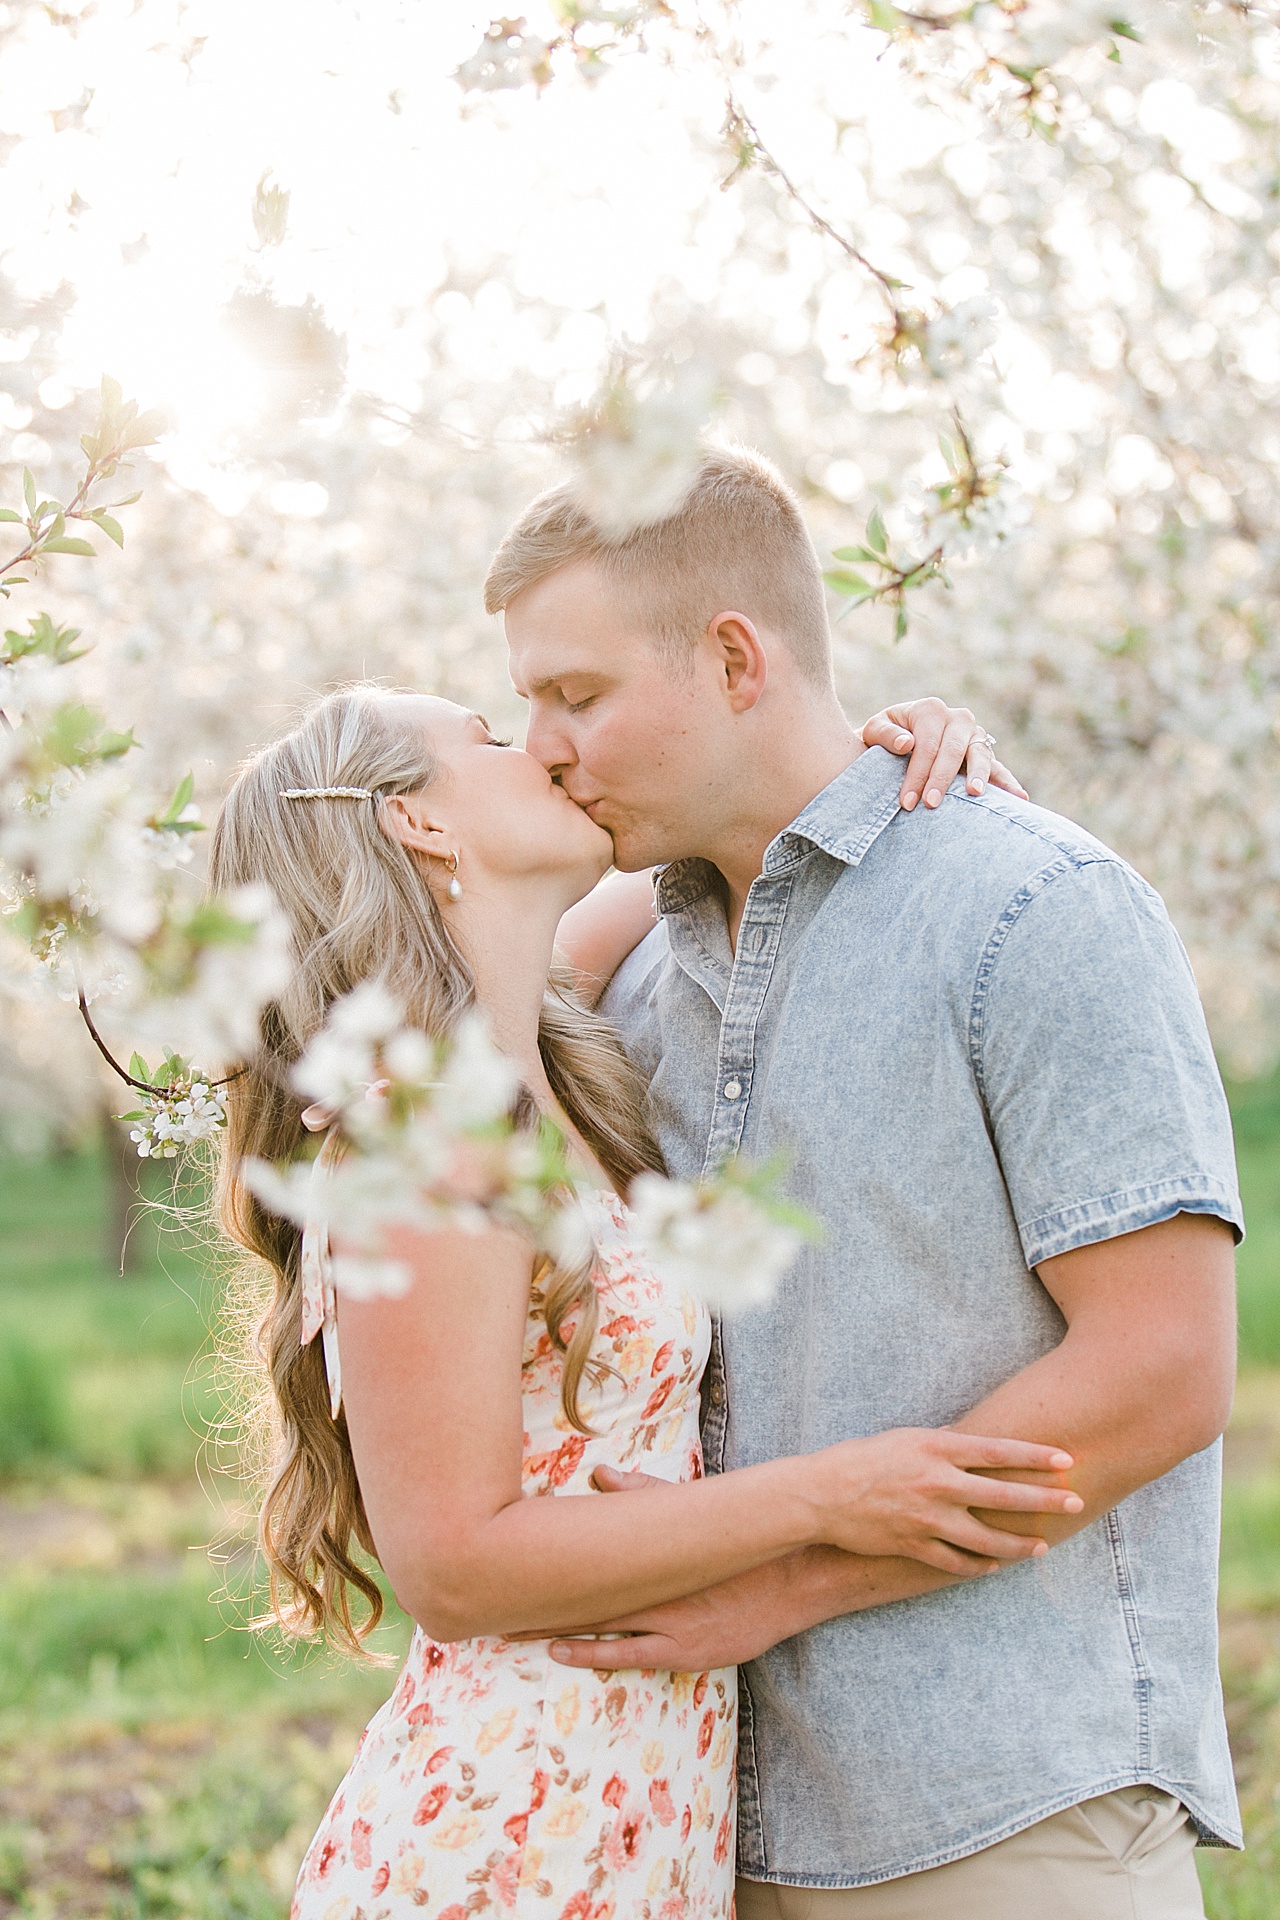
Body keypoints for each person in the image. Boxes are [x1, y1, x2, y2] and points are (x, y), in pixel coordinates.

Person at [485, 444, 1244, 1920]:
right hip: (696, 1826)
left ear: (731, 657)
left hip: (1000, 1816)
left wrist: (783, 1583)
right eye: (527, 704)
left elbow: (1162, 1371)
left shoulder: (1032, 908)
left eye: (575, 697)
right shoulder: (628, 973)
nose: (542, 747)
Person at [210, 684, 1072, 1920]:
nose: (547, 751)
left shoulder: (529, 1051)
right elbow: (451, 1565)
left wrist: (904, 737)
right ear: (421, 826)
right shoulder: (428, 1143)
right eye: (492, 739)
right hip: (509, 1830)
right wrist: (834, 1494)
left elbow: (759, 815)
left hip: (624, 1803)